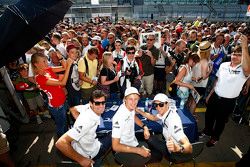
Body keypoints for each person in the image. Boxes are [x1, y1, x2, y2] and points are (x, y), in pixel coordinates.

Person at [200, 35, 250, 147]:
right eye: (233, 54)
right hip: (215, 96)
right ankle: (207, 131)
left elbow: (247, 70)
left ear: (244, 58)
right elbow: (217, 80)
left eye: (239, 55)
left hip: (228, 102)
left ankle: (215, 137)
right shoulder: (223, 65)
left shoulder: (243, 70)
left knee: (220, 121)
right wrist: (210, 95)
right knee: (209, 116)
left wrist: (244, 47)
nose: (235, 56)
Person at [56, 90, 111, 167]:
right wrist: (81, 160)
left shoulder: (87, 107)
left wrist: (79, 122)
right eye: (97, 103)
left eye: (103, 103)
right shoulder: (87, 121)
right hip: (89, 152)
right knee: (114, 136)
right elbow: (60, 143)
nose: (101, 106)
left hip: (79, 147)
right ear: (91, 103)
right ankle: (98, 159)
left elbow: (73, 109)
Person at [137, 93, 192, 159]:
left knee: (147, 139)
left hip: (174, 153)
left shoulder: (173, 121)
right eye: (155, 105)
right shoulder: (165, 112)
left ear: (167, 104)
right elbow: (153, 117)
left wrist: (178, 148)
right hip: (167, 142)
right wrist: (138, 111)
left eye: (161, 104)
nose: (158, 108)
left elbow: (189, 147)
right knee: (148, 136)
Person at [31, 52, 73, 137]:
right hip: (57, 106)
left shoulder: (47, 70)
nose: (47, 63)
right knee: (62, 126)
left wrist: (61, 59)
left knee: (65, 122)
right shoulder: (39, 78)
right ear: (36, 64)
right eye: (44, 61)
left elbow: (63, 67)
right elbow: (62, 83)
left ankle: (66, 138)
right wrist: (69, 66)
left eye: (46, 60)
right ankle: (62, 142)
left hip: (62, 100)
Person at [112, 87, 151, 167]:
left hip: (133, 143)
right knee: (148, 157)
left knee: (148, 152)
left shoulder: (130, 107)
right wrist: (138, 151)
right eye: (131, 99)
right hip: (122, 150)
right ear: (125, 99)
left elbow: (134, 117)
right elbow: (115, 146)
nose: (134, 102)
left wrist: (144, 127)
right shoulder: (119, 117)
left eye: (136, 99)